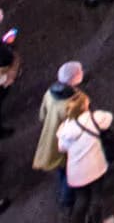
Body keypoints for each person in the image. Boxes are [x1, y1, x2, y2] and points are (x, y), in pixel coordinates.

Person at [54, 92, 114, 223]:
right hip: (94, 168)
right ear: (84, 106)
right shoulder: (94, 118)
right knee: (96, 197)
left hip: (76, 172)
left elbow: (62, 148)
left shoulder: (65, 129)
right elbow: (109, 118)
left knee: (82, 198)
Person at [33, 62, 87, 201]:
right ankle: (67, 199)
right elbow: (81, 125)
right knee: (70, 171)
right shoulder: (77, 101)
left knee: (62, 168)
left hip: (51, 140)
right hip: (67, 142)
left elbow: (42, 115)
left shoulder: (50, 93)